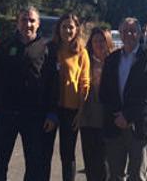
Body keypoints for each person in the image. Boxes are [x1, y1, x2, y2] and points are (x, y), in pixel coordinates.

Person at [0, 6, 58, 181]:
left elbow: (52, 84)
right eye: (24, 19)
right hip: (6, 114)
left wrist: (52, 113)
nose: (28, 24)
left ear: (38, 24)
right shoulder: (5, 46)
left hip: (34, 116)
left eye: (32, 20)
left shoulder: (46, 49)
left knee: (34, 164)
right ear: (18, 22)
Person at [99, 17, 147, 181]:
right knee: (115, 176)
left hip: (139, 127)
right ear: (120, 33)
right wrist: (117, 115)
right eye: (125, 31)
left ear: (140, 34)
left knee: (137, 176)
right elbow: (104, 92)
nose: (129, 34)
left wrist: (128, 116)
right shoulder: (112, 59)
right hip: (114, 125)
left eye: (133, 31)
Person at [46, 14, 90, 181]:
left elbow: (85, 82)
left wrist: (81, 111)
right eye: (64, 27)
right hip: (50, 108)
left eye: (71, 27)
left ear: (77, 29)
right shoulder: (50, 49)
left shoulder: (81, 52)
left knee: (67, 154)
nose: (67, 30)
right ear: (59, 28)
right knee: (44, 152)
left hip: (71, 110)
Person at [80, 27, 115, 181]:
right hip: (87, 119)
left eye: (102, 41)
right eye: (95, 41)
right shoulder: (85, 61)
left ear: (108, 42)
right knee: (90, 163)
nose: (99, 44)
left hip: (107, 120)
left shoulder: (115, 62)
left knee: (105, 164)